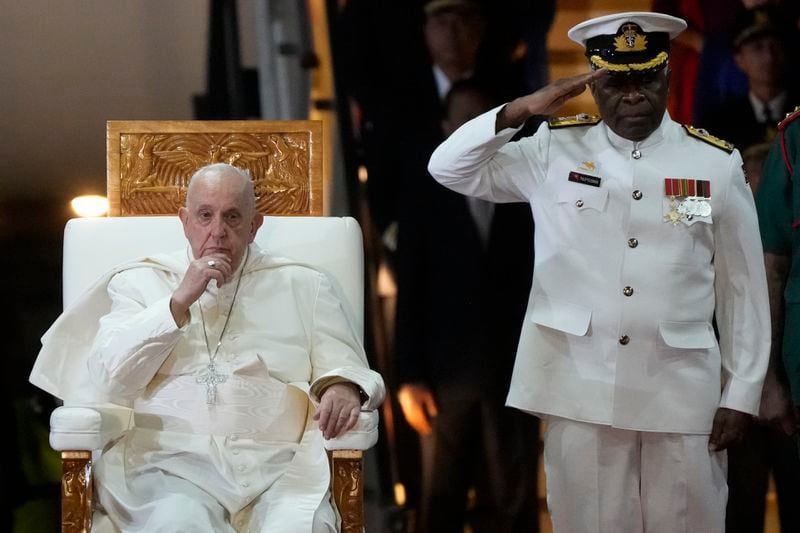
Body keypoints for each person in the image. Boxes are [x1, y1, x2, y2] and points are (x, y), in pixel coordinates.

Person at [428, 11, 770, 533]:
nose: (633, 95)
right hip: (579, 387)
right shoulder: (552, 149)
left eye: (646, 77)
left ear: (667, 76)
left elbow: (743, 288)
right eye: (615, 81)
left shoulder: (713, 163)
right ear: (591, 80)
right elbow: (448, 168)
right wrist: (522, 109)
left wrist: (742, 393)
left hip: (681, 392)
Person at [30, 163, 385, 532]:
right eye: (205, 216)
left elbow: (346, 364)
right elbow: (109, 378)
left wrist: (342, 385)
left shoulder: (305, 284)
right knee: (178, 523)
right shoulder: (139, 282)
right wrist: (176, 303)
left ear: (254, 225)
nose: (218, 232)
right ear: (184, 221)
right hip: (166, 468)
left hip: (277, 470)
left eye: (233, 217)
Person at [395, 78, 538, 533]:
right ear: (447, 127)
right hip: (445, 376)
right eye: (464, 120)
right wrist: (409, 376)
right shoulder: (425, 196)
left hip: (514, 373)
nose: (474, 128)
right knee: (440, 499)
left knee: (514, 502)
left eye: (485, 119)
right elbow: (410, 290)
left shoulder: (527, 188)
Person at [699, 5, 799, 153]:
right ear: (739, 60)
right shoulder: (719, 125)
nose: (768, 57)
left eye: (775, 46)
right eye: (757, 48)